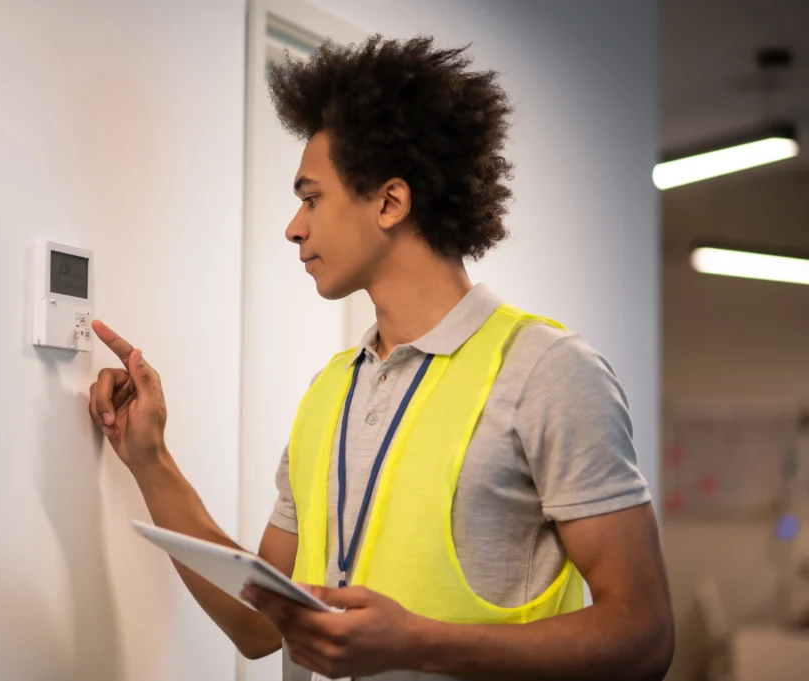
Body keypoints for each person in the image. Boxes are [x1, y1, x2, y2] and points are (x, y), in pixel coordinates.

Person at [87, 35, 674, 681]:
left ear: (391, 202)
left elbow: (644, 636)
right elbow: (260, 624)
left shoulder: (548, 371)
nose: (294, 226)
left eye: (311, 197)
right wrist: (150, 458)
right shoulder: (329, 391)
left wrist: (416, 643)